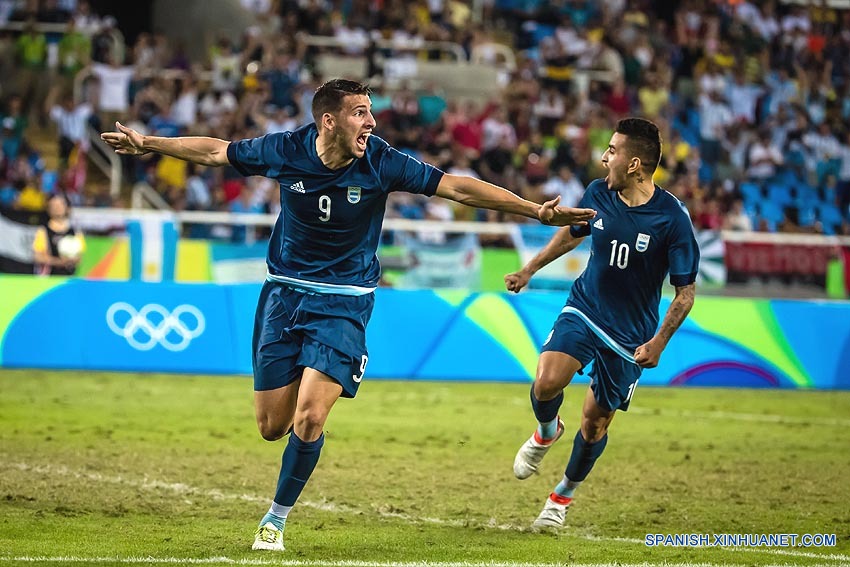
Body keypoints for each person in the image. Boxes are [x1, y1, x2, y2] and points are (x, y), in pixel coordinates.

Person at [101, 79, 596, 551]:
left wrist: (535, 211)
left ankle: (274, 519)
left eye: (370, 112)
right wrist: (148, 143)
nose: (372, 123)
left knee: (310, 416)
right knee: (273, 426)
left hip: (345, 301)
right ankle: (297, 442)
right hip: (283, 297)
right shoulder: (285, 150)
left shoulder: (382, 162)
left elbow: (458, 188)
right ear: (329, 122)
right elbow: (216, 151)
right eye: (361, 113)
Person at [504, 118, 699, 529]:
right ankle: (545, 431)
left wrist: (659, 342)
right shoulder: (597, 192)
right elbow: (574, 233)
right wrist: (529, 269)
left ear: (634, 164)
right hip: (586, 308)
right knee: (546, 381)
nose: (603, 157)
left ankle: (560, 499)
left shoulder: (672, 219)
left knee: (594, 425)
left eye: (612, 150)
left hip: (631, 335)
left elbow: (685, 292)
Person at [32, 193, 85, 276]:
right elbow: (37, 257)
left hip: (69, 278)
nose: (57, 208)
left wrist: (72, 260)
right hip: (49, 278)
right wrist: (57, 262)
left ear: (67, 208)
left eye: (60, 205)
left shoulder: (75, 231)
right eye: (54, 205)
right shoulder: (43, 231)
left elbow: (80, 257)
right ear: (49, 209)